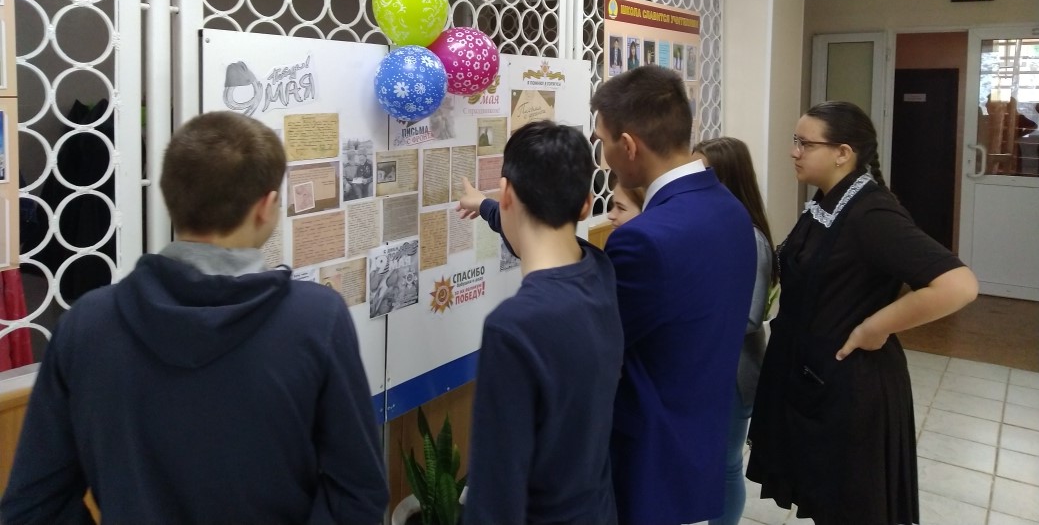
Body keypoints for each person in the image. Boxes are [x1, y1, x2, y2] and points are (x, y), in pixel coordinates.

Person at [1, 111, 388, 525]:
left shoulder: (86, 325)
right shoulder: (316, 320)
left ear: (170, 197)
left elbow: (34, 508)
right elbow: (357, 492)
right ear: (266, 206)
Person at [746, 101, 978, 525]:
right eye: (795, 141)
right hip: (816, 380)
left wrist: (876, 326)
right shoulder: (830, 201)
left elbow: (958, 285)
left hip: (852, 391)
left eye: (805, 144)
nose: (794, 152)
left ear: (843, 153)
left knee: (851, 507)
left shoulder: (871, 213)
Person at [591, 65, 757, 525]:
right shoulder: (729, 208)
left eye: (602, 142)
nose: (603, 157)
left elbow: (602, 343)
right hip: (698, 431)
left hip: (646, 449)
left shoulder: (645, 238)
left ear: (629, 146)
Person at [456, 120, 624, 525]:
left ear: (508, 194)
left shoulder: (514, 327)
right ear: (586, 204)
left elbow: (496, 495)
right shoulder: (599, 269)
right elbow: (540, 237)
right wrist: (487, 206)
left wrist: (495, 204)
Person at [691, 136, 777, 525]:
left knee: (725, 464)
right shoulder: (704, 226)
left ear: (729, 177)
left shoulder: (751, 238)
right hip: (703, 366)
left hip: (734, 372)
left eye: (704, 173)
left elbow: (749, 317)